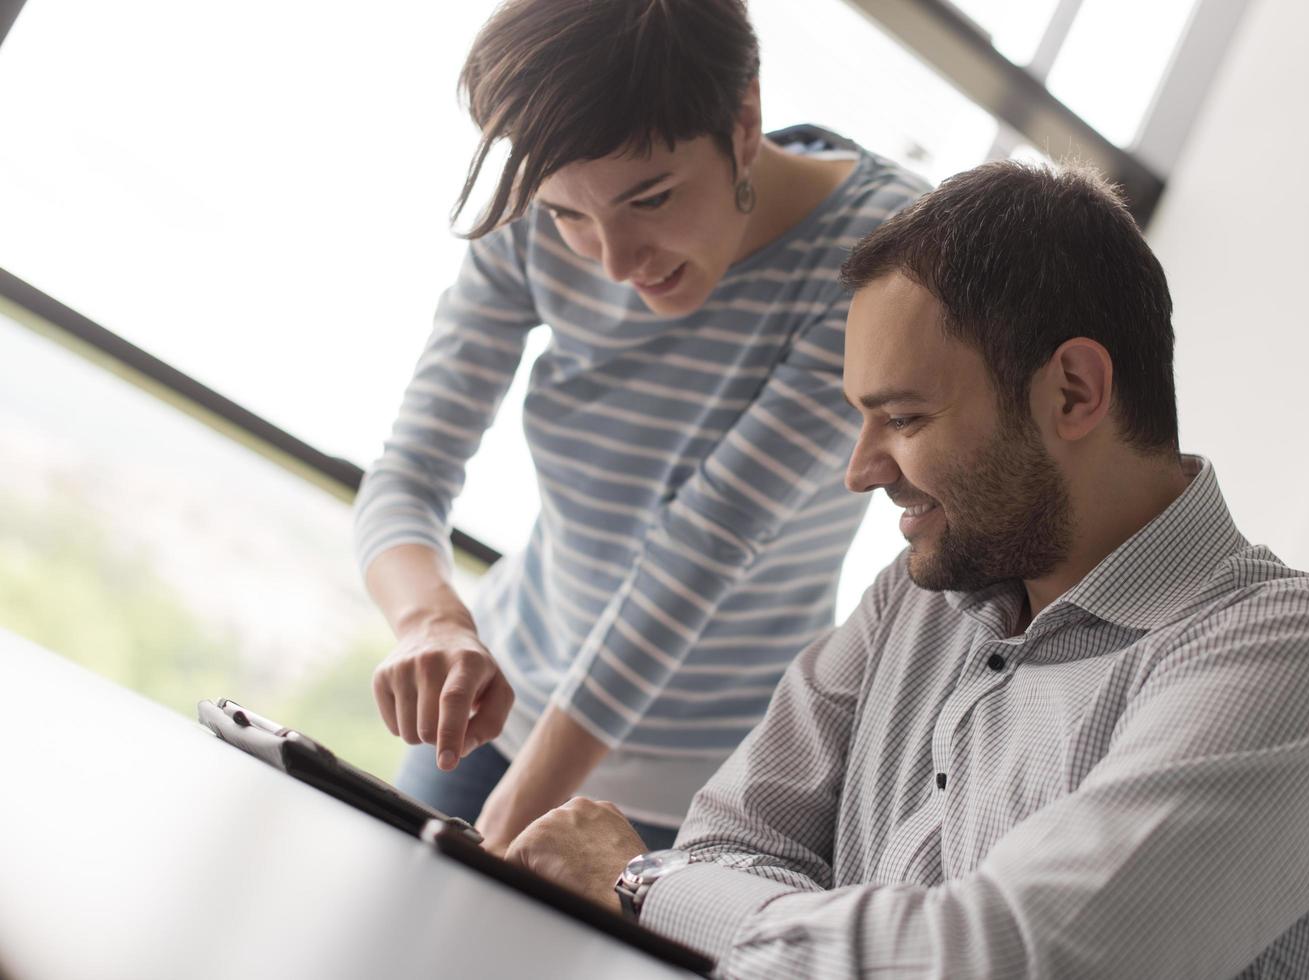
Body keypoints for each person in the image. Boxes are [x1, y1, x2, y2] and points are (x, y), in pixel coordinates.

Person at [501, 161, 1309, 978]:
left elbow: (998, 963)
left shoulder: (1291, 662)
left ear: (1073, 391)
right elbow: (730, 840)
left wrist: (644, 880)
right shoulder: (915, 598)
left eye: (901, 418)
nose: (860, 470)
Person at [352, 0, 928, 854]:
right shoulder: (534, 203)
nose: (615, 263)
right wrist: (429, 621)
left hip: (704, 786)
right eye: (569, 216)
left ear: (743, 121)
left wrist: (510, 826)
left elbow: (705, 544)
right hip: (498, 712)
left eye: (649, 199)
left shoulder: (883, 256)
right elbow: (411, 469)